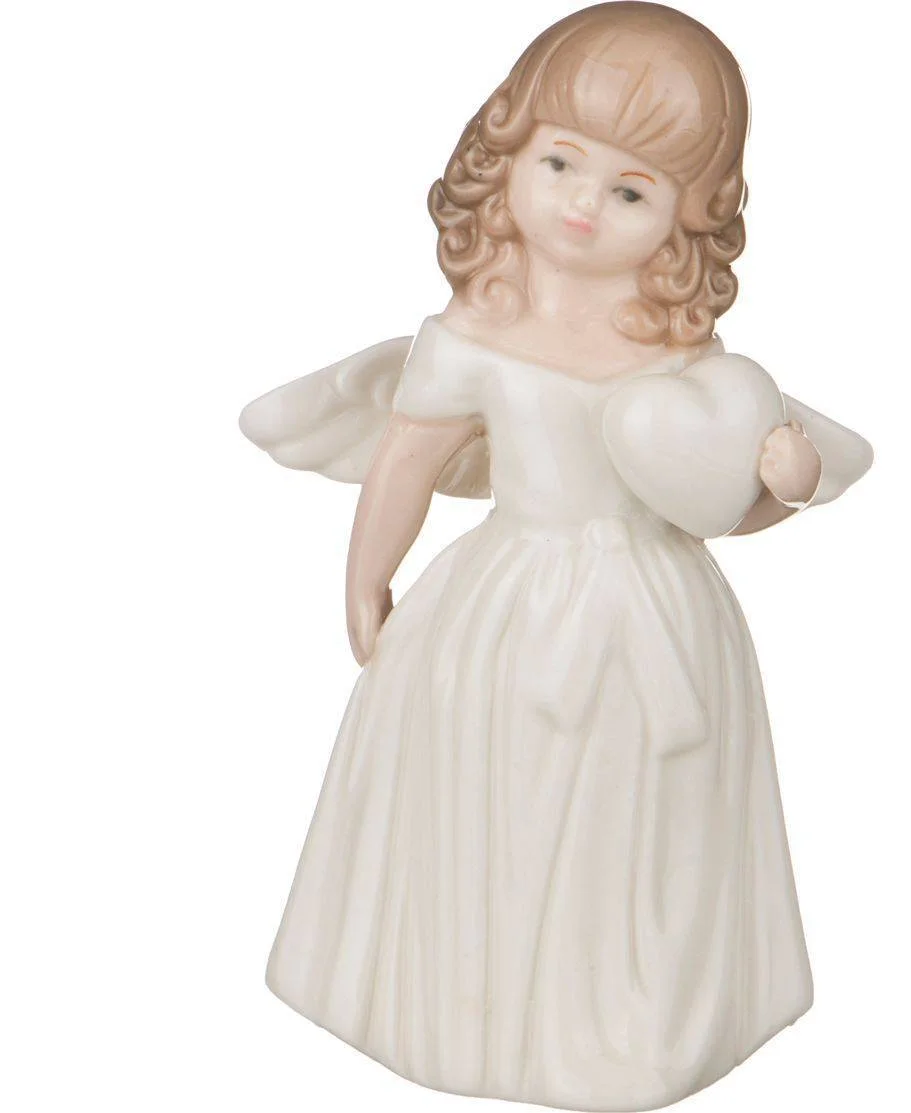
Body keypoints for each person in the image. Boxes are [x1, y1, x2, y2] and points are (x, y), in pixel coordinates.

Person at [239, 4, 872, 1109]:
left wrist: (786, 481)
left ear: (686, 216)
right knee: (493, 797)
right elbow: (404, 460)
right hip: (505, 610)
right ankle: (473, 1013)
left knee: (638, 819)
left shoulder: (682, 355)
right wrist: (365, 574)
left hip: (653, 609)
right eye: (561, 162)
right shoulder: (474, 334)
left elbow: (717, 505)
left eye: (630, 190)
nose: (583, 203)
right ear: (506, 157)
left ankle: (630, 1028)